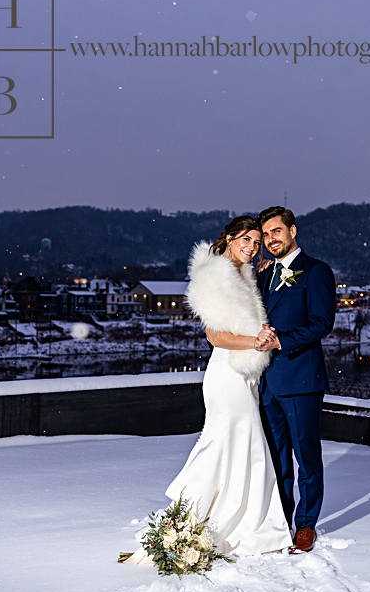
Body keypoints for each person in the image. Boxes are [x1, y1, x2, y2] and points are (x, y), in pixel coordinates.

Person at [122, 216, 291, 564]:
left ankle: (245, 524)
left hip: (245, 374)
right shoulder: (214, 276)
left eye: (257, 242)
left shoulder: (241, 274)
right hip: (227, 373)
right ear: (229, 238)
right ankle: (188, 521)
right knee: (223, 442)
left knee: (243, 444)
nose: (251, 247)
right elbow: (215, 336)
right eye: (246, 239)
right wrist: (256, 341)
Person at [255, 206, 336, 554]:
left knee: (306, 457)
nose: (271, 239)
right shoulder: (264, 275)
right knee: (276, 459)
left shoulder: (316, 271)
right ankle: (280, 520)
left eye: (276, 232)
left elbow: (322, 323)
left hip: (301, 379)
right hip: (267, 383)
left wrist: (282, 340)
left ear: (292, 231)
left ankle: (305, 525)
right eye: (266, 235)